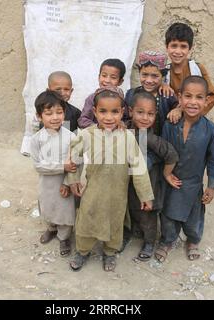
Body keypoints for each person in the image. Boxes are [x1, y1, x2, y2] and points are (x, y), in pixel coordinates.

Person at [67, 86, 154, 272]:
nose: (109, 117)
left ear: (122, 112)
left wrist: (145, 195)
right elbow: (73, 158)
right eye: (103, 111)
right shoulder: (86, 134)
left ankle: (110, 252)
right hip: (92, 190)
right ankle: (82, 251)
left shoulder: (128, 138)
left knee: (115, 223)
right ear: (95, 112)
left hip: (117, 192)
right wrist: (73, 180)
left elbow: (139, 168)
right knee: (86, 221)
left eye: (114, 112)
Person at [156, 76, 214, 263]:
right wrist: (165, 174)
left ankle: (193, 240)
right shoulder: (170, 124)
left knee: (194, 215)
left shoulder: (211, 130)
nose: (193, 102)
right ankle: (167, 241)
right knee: (168, 213)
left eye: (199, 97)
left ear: (206, 100)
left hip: (193, 182)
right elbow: (163, 151)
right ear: (180, 98)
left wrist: (212, 186)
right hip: (171, 180)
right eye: (188, 96)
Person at [126, 89, 179, 261]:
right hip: (128, 184)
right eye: (140, 112)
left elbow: (172, 155)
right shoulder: (124, 131)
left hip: (150, 186)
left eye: (150, 114)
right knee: (131, 210)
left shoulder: (150, 138)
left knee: (147, 216)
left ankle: (149, 243)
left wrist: (167, 174)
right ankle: (131, 233)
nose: (144, 118)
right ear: (130, 111)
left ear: (156, 115)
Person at [30, 90, 76, 257]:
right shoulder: (36, 140)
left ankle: (64, 237)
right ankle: (51, 228)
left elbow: (74, 164)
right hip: (46, 184)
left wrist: (67, 181)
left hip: (63, 184)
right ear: (39, 116)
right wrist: (61, 167)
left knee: (64, 210)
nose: (55, 117)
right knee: (48, 207)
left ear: (64, 113)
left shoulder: (71, 137)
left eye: (59, 112)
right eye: (49, 113)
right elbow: (38, 165)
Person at [163, 22, 214, 123]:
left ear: (190, 49)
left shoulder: (198, 69)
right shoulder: (163, 72)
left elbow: (212, 97)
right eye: (174, 46)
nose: (178, 51)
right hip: (169, 124)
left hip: (194, 122)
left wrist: (185, 112)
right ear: (167, 47)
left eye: (183, 47)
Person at [125, 51, 178, 136]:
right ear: (139, 73)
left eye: (155, 76)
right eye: (144, 74)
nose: (149, 80)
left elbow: (179, 108)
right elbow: (124, 118)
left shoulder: (167, 95)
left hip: (160, 143)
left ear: (163, 76)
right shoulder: (131, 94)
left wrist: (178, 110)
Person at [77, 58, 127, 128]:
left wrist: (121, 124)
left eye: (113, 77)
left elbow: (125, 119)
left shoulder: (121, 100)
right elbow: (83, 120)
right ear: (99, 77)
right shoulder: (92, 98)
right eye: (104, 75)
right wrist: (98, 127)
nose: (107, 80)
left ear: (120, 81)